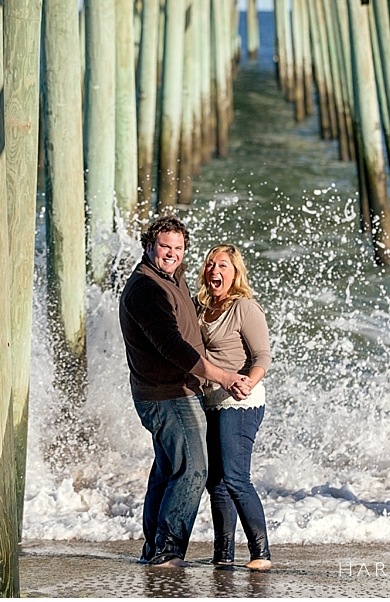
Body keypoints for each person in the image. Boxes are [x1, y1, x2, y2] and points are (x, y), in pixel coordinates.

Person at [119, 215, 252, 568]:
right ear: (149, 246)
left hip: (170, 392)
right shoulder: (147, 289)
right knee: (194, 470)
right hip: (169, 394)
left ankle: (153, 549)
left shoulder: (170, 278)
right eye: (165, 246)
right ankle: (167, 551)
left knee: (167, 472)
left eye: (178, 248)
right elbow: (173, 347)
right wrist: (222, 376)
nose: (172, 254)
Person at [196, 244, 273, 571]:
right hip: (211, 401)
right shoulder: (201, 309)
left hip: (240, 402)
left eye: (223, 266)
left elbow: (263, 357)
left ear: (235, 272)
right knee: (216, 482)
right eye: (211, 265)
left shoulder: (245, 307)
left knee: (236, 478)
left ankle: (261, 554)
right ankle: (223, 555)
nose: (216, 271)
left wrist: (248, 383)